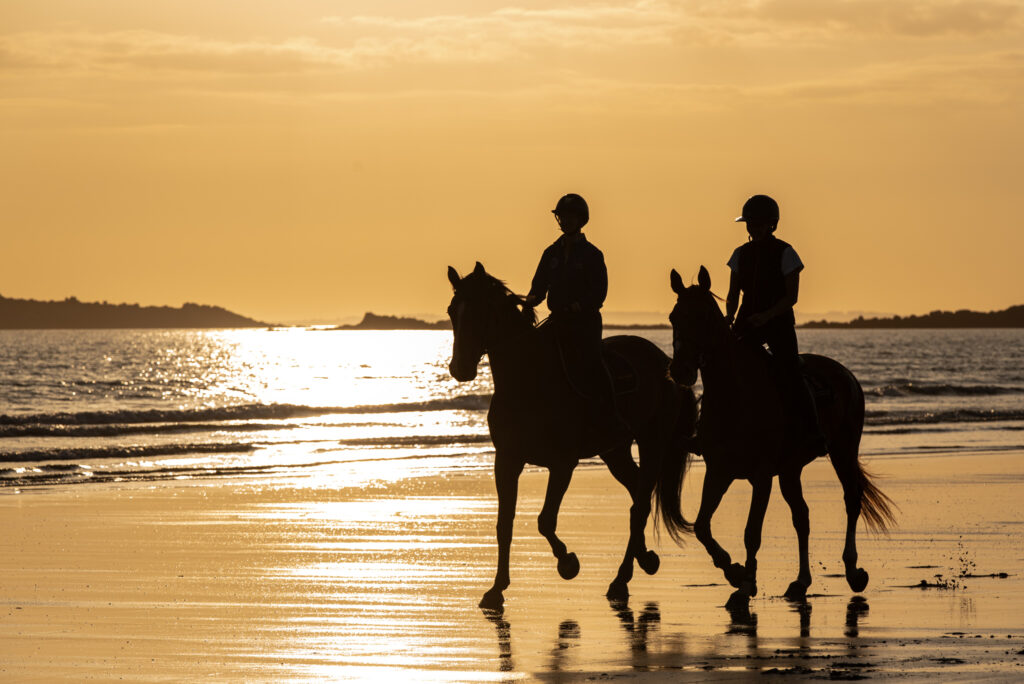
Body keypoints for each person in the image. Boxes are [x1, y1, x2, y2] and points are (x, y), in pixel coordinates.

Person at [725, 194, 828, 456]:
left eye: (758, 224)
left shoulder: (786, 252)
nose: (753, 229)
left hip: (778, 323)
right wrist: (728, 316)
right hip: (747, 322)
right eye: (750, 224)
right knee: (724, 368)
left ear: (772, 225)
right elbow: (733, 293)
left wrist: (767, 316)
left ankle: (813, 432)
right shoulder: (740, 254)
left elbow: (791, 297)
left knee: (791, 372)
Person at [524, 193, 615, 425]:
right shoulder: (550, 253)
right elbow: (538, 287)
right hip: (558, 321)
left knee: (592, 362)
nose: (565, 221)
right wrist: (530, 299)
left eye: (570, 217)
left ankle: (608, 410)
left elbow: (599, 292)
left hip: (584, 323)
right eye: (562, 217)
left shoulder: (593, 255)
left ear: (580, 220)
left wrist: (579, 306)